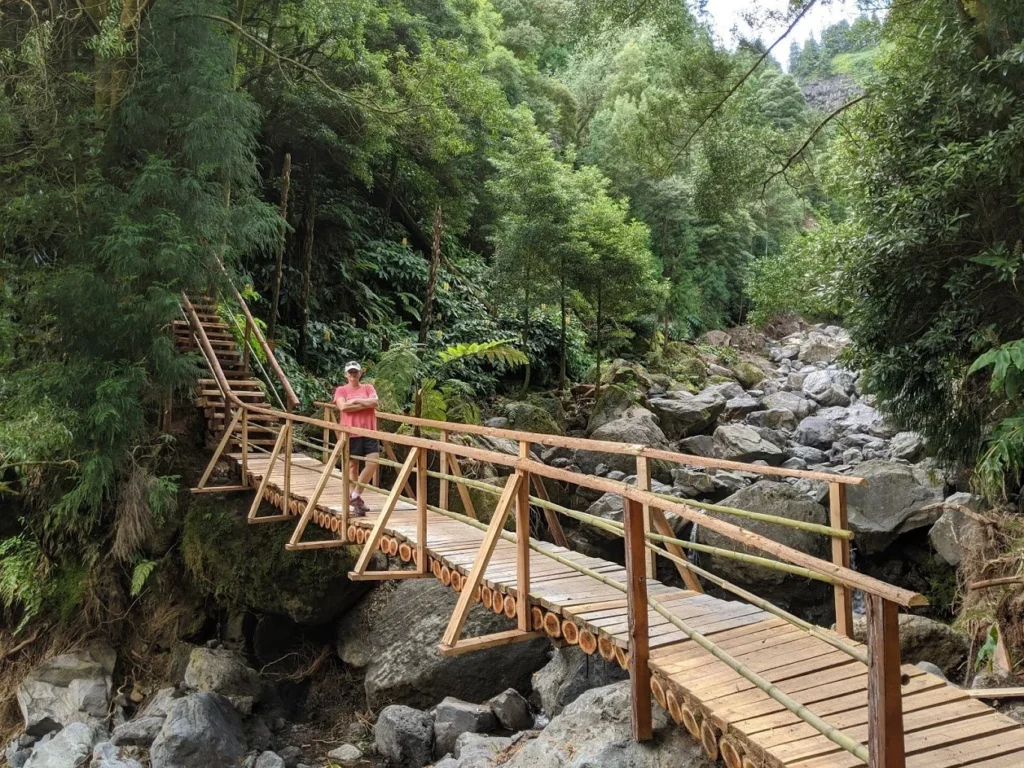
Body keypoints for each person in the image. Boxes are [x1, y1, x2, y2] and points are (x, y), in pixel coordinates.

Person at [334, 360, 379, 517]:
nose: (353, 375)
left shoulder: (368, 387)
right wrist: (365, 404)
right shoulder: (341, 390)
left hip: (369, 431)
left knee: (373, 463)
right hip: (351, 432)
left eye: (356, 372)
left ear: (360, 373)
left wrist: (355, 401)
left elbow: (375, 402)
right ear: (346, 374)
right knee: (353, 467)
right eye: (350, 372)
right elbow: (343, 407)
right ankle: (357, 504)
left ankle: (355, 495)